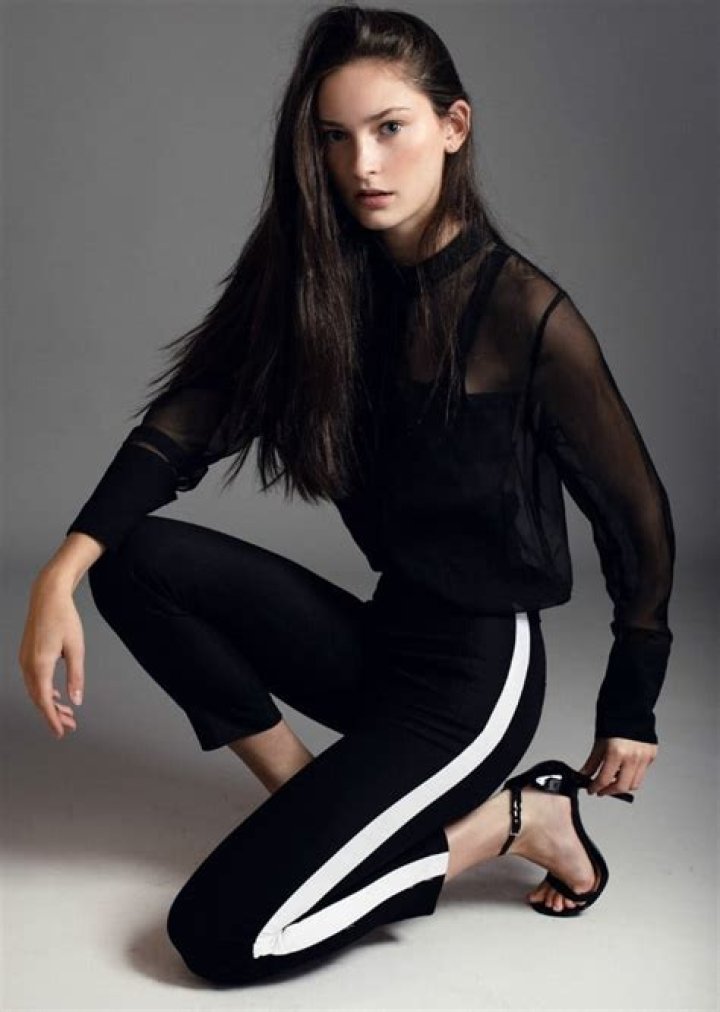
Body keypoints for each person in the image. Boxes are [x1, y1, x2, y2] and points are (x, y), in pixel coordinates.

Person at [18, 3, 675, 986]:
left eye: (389, 128)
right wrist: (61, 571)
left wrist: (632, 702)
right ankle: (304, 795)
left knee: (222, 935)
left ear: (453, 126)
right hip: (382, 641)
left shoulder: (520, 311)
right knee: (135, 558)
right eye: (335, 137)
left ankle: (515, 821)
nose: (362, 164)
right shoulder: (321, 282)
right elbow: (191, 418)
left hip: (473, 683)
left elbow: (637, 514)